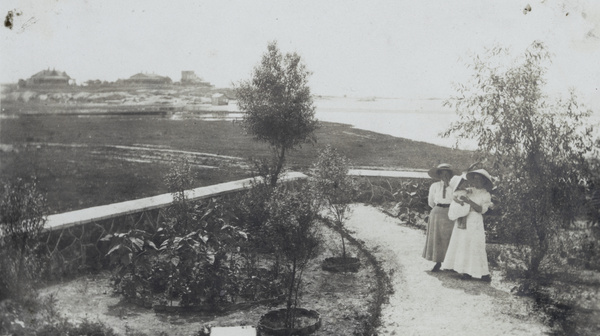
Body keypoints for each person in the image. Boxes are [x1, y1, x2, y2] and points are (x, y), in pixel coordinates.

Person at [442, 169, 494, 282]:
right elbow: (456, 194)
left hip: (475, 220)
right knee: (464, 245)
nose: (476, 182)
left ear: (484, 181)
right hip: (464, 218)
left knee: (476, 245)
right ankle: (466, 271)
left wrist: (468, 201)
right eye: (474, 179)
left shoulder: (486, 194)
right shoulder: (469, 190)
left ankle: (484, 273)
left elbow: (481, 209)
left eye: (479, 179)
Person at [422, 163, 459, 272]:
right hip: (437, 212)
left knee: (450, 237)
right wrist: (438, 208)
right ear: (439, 175)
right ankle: (437, 262)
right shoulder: (434, 186)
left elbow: (456, 200)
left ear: (450, 174)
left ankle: (451, 264)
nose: (444, 175)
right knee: (437, 237)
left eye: (447, 173)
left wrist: (449, 186)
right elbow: (430, 202)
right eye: (442, 173)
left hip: (450, 212)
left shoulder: (455, 187)